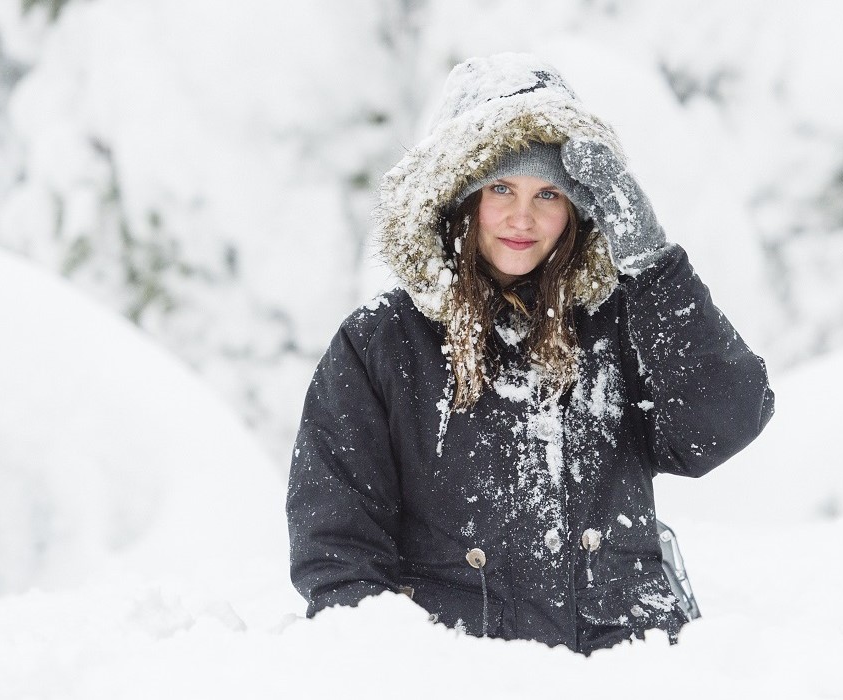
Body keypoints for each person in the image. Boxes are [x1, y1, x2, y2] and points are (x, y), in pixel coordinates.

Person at [287, 53, 775, 655]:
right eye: (500, 188)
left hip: (629, 674)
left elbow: (726, 421)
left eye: (548, 192)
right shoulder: (379, 345)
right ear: (456, 199)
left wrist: (653, 267)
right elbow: (337, 555)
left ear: (577, 209)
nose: (523, 217)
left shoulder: (620, 321)